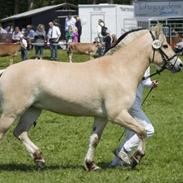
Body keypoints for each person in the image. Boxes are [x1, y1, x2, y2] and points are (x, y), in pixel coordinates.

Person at [110, 67, 158, 168]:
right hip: (131, 102)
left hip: (135, 102)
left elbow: (145, 81)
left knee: (131, 134)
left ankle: (115, 164)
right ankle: (123, 151)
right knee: (149, 130)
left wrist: (151, 84)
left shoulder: (147, 63)